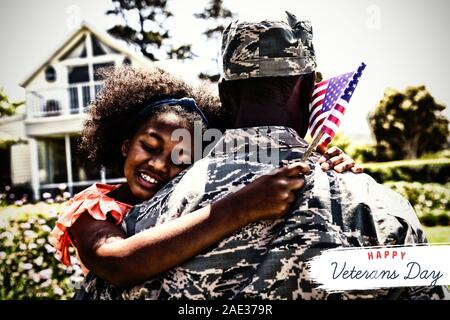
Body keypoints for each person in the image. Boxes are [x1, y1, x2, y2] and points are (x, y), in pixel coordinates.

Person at [78, 13, 449, 300]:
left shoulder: (141, 222)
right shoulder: (381, 210)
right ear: (309, 91)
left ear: (224, 97)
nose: (160, 164)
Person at [50, 66, 356, 295]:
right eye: (150, 146)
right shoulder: (94, 207)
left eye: (179, 158)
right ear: (125, 144)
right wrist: (243, 206)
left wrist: (325, 163)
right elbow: (120, 264)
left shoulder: (188, 196)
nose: (158, 164)